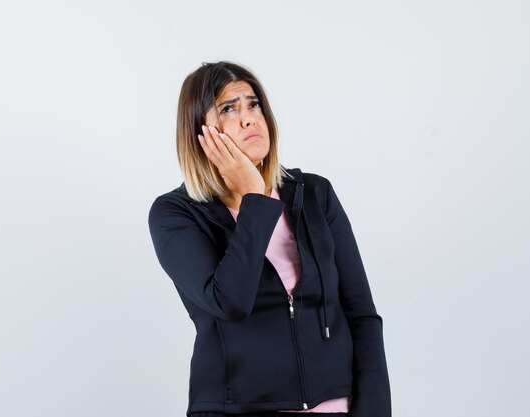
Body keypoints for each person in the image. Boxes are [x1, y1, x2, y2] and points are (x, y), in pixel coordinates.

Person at [148, 61, 391, 417]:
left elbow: (361, 315)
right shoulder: (176, 214)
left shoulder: (314, 194)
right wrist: (255, 201)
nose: (249, 118)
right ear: (199, 132)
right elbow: (230, 302)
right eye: (229, 108)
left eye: (254, 104)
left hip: (337, 406)